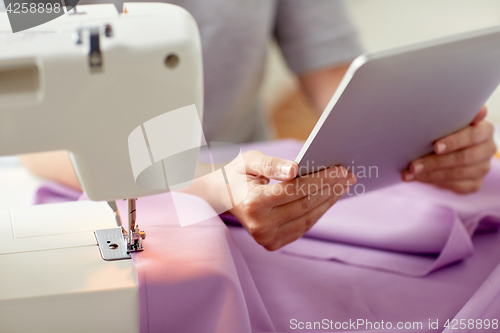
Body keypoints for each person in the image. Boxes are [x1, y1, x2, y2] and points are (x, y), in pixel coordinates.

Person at [20, 0, 497, 251]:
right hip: (75, 178)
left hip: (251, 173)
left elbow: (336, 75)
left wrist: (427, 139)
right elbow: (29, 129)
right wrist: (203, 187)